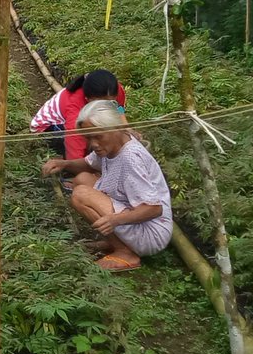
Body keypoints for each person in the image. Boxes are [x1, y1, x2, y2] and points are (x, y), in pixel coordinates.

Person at [41, 100, 172, 273]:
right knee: (83, 179)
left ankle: (126, 253)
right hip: (132, 215)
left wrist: (115, 220)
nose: (93, 144)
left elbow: (154, 209)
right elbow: (88, 164)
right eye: (88, 137)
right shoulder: (112, 145)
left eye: (98, 136)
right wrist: (63, 164)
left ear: (115, 128)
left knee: (81, 194)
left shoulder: (130, 158)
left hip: (151, 233)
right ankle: (116, 242)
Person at [31, 69, 126, 160]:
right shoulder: (75, 108)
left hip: (71, 121)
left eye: (109, 102)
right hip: (48, 128)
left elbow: (119, 108)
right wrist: (80, 168)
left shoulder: (114, 89)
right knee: (90, 143)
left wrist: (126, 127)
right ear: (87, 99)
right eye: (100, 104)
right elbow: (74, 144)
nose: (105, 107)